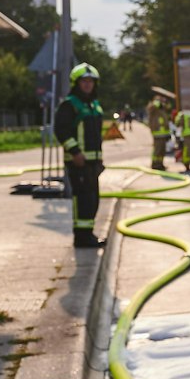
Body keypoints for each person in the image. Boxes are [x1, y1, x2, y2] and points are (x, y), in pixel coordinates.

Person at [54, 63, 107, 249]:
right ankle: (82, 238)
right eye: (84, 81)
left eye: (91, 81)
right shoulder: (70, 105)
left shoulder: (93, 105)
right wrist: (75, 152)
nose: (88, 85)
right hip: (78, 162)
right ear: (76, 83)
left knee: (93, 199)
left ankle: (89, 235)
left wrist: (99, 160)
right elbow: (61, 130)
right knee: (83, 200)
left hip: (93, 162)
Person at [148, 91, 172, 171]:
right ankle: (155, 164)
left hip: (163, 134)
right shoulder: (153, 108)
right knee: (157, 150)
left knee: (162, 150)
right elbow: (156, 104)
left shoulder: (162, 110)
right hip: (157, 133)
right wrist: (159, 100)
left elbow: (168, 107)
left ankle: (160, 164)